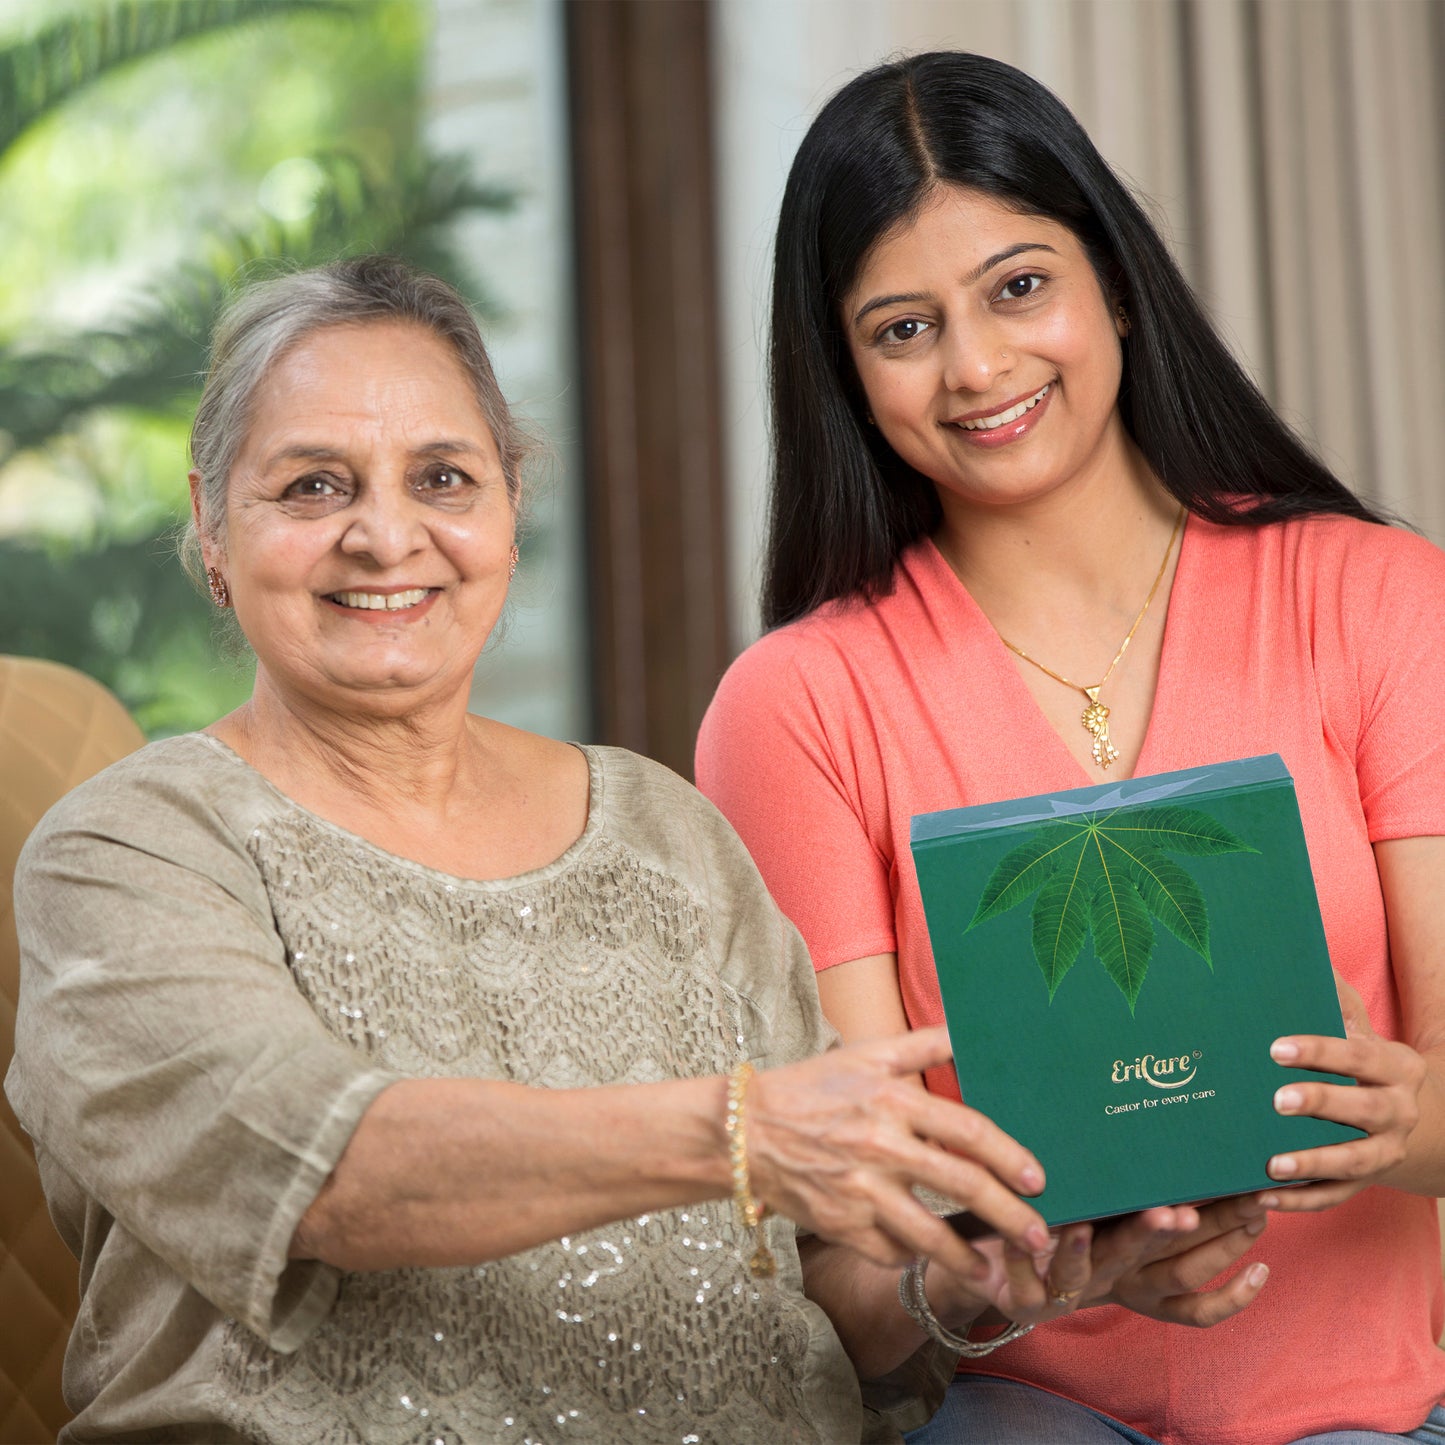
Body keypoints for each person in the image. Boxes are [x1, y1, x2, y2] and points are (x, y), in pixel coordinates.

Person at [3, 254, 1163, 1445]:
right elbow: (322, 1167)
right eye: (312, 486)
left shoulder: (664, 827)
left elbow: (834, 1280)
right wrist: (741, 1132)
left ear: (508, 514)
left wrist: (962, 1276)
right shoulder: (126, 850)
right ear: (209, 522)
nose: (385, 534)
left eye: (443, 478)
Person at [696, 51, 1445, 1445]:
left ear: (1112, 277)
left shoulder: (1378, 598)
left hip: (1376, 1415)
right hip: (1021, 1408)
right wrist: (993, 1280)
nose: (977, 367)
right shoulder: (794, 706)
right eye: (902, 328)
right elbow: (858, 1288)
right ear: (844, 372)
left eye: (1018, 285)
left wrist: (1398, 1127)